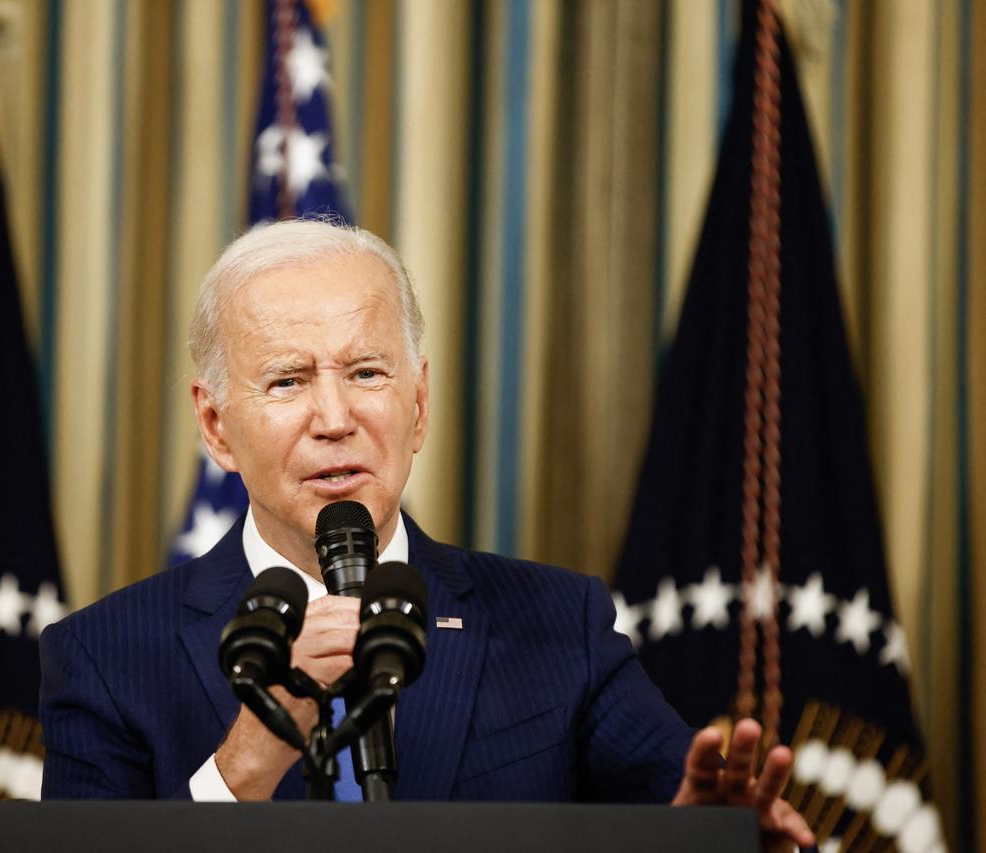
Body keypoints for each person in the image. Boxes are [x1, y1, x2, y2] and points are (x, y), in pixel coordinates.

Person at [39, 219, 814, 849]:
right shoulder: (106, 655)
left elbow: (679, 805)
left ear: (419, 403)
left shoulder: (558, 622)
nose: (336, 419)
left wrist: (711, 839)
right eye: (288, 380)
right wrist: (244, 760)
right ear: (215, 425)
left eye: (368, 372)